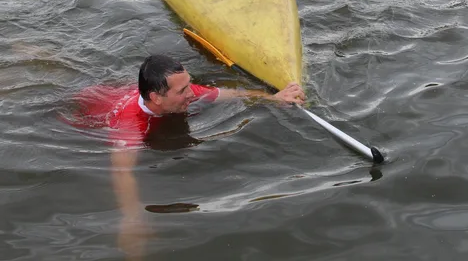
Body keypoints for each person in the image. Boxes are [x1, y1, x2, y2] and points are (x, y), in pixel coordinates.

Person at [66, 54, 305, 258]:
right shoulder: (130, 125)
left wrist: (273, 98)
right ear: (156, 98)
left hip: (114, 90)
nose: (192, 93)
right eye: (183, 91)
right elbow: (122, 171)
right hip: (80, 111)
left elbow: (230, 94)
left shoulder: (181, 91)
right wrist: (132, 217)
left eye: (189, 84)